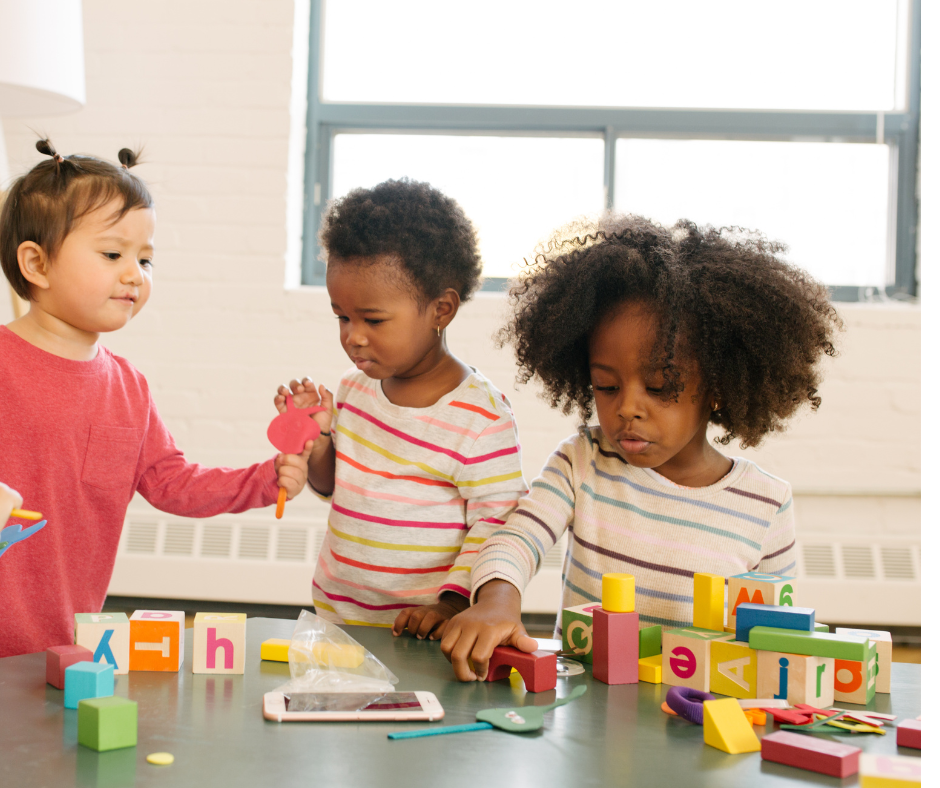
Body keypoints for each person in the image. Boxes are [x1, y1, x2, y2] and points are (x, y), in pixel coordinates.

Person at [440, 214, 843, 681]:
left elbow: (777, 638)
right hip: (586, 715)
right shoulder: (583, 462)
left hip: (695, 720)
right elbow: (517, 539)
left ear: (718, 385)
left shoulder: (766, 505)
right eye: (606, 386)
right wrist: (497, 602)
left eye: (659, 385)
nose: (627, 408)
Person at [0, 140, 310, 656]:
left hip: (59, 644)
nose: (134, 275)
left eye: (145, 259)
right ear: (36, 264)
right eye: (112, 254)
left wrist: (264, 479)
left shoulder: (128, 387)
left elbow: (173, 483)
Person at [274, 179, 527, 637]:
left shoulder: (481, 417)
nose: (353, 335)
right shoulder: (354, 390)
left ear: (441, 310)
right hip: (339, 618)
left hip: (427, 631)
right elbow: (332, 485)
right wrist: (318, 440)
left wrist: (450, 607)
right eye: (342, 317)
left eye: (373, 319)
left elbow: (496, 525)